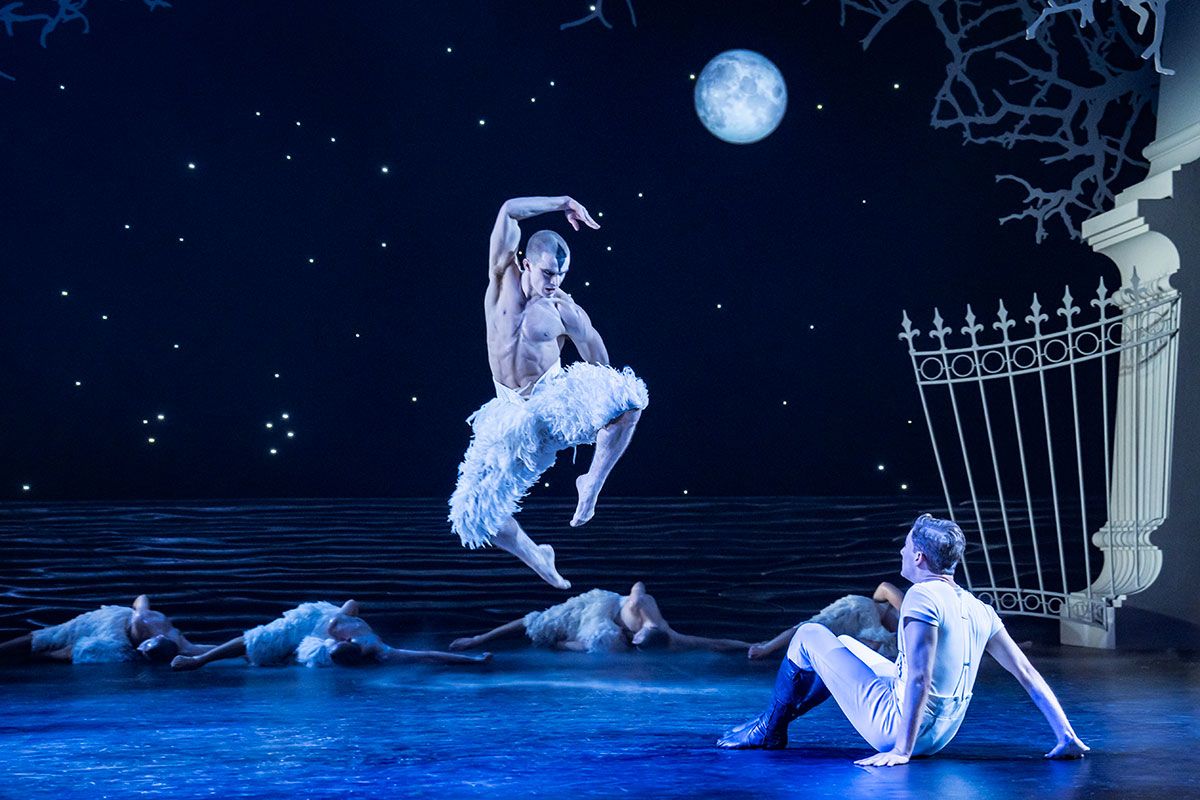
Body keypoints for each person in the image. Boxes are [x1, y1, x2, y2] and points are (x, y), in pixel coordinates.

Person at [717, 514, 1089, 765]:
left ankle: (769, 729)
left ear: (919, 556)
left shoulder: (921, 597)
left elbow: (919, 677)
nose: (900, 551)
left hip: (899, 727)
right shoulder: (978, 607)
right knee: (844, 645)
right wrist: (1066, 735)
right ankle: (773, 724)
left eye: (905, 546)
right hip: (943, 733)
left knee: (808, 634)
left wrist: (901, 750)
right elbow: (1026, 671)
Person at [448, 195, 649, 589]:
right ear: (525, 262)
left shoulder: (562, 308)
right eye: (547, 273)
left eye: (561, 274)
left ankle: (590, 483)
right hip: (509, 417)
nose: (554, 282)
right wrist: (564, 203)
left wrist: (577, 319)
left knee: (629, 397)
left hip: (554, 405)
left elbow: (603, 368)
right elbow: (507, 210)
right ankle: (538, 555)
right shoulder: (500, 276)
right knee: (471, 516)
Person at [170, 599, 490, 670]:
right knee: (259, 640)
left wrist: (471, 659)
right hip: (313, 617)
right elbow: (430, 654)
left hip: (311, 637)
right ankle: (200, 657)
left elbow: (427, 655)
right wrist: (472, 658)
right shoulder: (377, 646)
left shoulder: (379, 651)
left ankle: (197, 652)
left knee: (257, 652)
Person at [449, 581, 751, 653]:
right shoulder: (643, 609)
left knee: (601, 643)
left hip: (605, 629)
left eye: (637, 642)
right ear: (645, 628)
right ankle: (480, 637)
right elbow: (638, 585)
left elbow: (711, 642)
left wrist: (752, 646)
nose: (634, 638)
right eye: (639, 636)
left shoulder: (668, 638)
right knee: (540, 622)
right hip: (603, 608)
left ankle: (563, 645)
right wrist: (634, 597)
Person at [0, 594, 211, 664]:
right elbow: (141, 599)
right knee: (51, 635)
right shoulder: (144, 620)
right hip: (113, 624)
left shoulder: (179, 644)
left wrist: (243, 651)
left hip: (116, 645)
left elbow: (203, 650)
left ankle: (38, 658)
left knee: (82, 651)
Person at [748, 583, 904, 661]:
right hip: (861, 613)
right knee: (812, 627)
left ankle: (774, 646)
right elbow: (884, 588)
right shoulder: (910, 607)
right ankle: (766, 647)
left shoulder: (922, 633)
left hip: (875, 640)